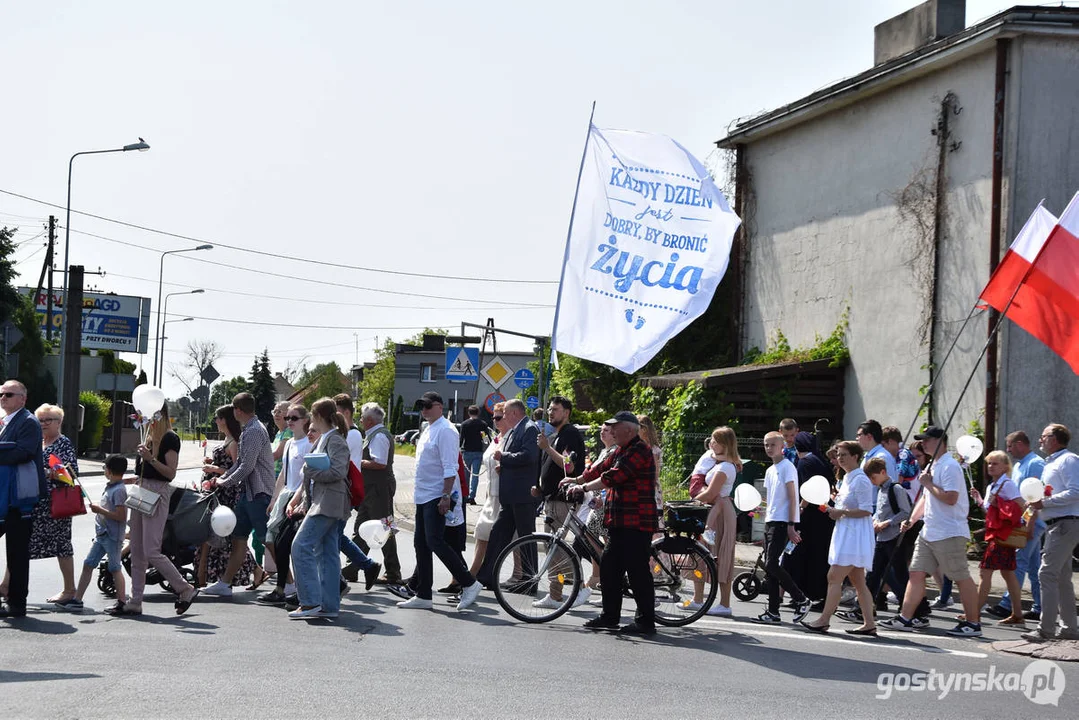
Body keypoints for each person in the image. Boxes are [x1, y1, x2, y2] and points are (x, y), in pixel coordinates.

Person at [563, 411, 659, 636]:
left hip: (636, 522)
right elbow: (597, 469)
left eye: (616, 428)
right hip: (618, 520)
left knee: (637, 573)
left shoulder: (639, 450)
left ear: (630, 430)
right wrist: (575, 480)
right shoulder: (619, 450)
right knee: (609, 568)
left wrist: (583, 488)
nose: (612, 431)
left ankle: (646, 622)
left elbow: (614, 476)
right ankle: (610, 616)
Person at [881, 426, 981, 637]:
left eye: (927, 439)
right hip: (930, 531)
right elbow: (927, 498)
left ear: (940, 441)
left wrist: (927, 483)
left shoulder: (949, 466)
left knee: (961, 576)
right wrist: (912, 518)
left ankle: (972, 623)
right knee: (916, 574)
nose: (924, 443)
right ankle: (905, 618)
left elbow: (951, 497)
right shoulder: (934, 464)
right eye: (922, 440)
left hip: (949, 531)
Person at [398, 392, 482, 611]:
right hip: (423, 494)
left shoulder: (446, 430)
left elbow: (450, 466)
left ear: (439, 406)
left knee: (435, 541)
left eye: (427, 406)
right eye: (421, 406)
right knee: (421, 543)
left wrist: (446, 496)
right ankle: (424, 594)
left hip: (437, 494)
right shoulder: (428, 429)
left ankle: (469, 583)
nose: (424, 410)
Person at [125, 402, 199, 617]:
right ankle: (135, 600)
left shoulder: (169, 437)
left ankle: (185, 588)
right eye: (141, 413)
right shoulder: (147, 436)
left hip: (157, 493)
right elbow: (145, 472)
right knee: (137, 549)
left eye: (147, 413)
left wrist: (150, 458)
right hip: (141, 490)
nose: (143, 417)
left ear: (159, 413)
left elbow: (170, 473)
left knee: (151, 550)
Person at [285, 398, 353, 619]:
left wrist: (312, 473)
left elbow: (338, 472)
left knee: (300, 546)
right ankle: (329, 606)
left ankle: (310, 603)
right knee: (327, 554)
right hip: (323, 502)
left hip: (328, 504)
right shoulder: (327, 438)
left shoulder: (335, 440)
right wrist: (305, 498)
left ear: (318, 416)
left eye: (313, 416)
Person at [204, 392, 276, 597]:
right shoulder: (249, 429)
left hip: (258, 493)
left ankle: (288, 584)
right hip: (248, 494)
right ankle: (225, 584)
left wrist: (224, 481)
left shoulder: (254, 430)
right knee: (238, 538)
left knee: (266, 539)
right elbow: (239, 464)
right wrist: (221, 478)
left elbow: (247, 466)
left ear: (237, 410)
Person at [802, 444, 877, 636]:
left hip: (854, 536)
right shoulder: (847, 479)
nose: (840, 458)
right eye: (839, 455)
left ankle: (824, 620)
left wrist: (841, 511)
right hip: (847, 533)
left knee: (834, 577)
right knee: (858, 581)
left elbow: (867, 509)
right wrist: (833, 507)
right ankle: (869, 623)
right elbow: (846, 507)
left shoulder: (860, 480)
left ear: (856, 456)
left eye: (844, 455)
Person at [475, 399, 540, 595]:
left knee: (526, 538)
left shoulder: (529, 429)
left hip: (522, 495)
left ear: (514, 413)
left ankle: (530, 581)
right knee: (498, 534)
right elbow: (517, 457)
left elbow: (529, 456)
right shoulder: (515, 430)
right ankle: (487, 576)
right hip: (511, 496)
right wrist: (504, 464)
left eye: (505, 414)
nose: (502, 418)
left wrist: (504, 457)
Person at [837, 456, 911, 625]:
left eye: (873, 477)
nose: (871, 482)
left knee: (899, 574)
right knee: (873, 574)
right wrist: (875, 521)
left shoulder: (895, 489)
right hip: (881, 538)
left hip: (893, 537)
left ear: (883, 472)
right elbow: (880, 511)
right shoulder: (880, 490)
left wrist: (886, 523)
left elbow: (905, 512)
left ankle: (912, 608)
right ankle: (863, 609)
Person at [1022, 424, 1079, 642]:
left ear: (1054, 439)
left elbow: (1076, 491)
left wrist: (1043, 502)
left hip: (1066, 523)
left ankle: (1046, 629)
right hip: (1058, 524)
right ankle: (1069, 629)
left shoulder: (1069, 460)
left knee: (1046, 574)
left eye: (1043, 437)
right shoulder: (1053, 462)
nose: (1039, 441)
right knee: (1062, 577)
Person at [531, 395, 588, 610]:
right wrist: (541, 488)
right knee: (552, 546)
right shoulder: (556, 435)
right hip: (551, 498)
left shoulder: (570, 434)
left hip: (563, 500)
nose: (550, 412)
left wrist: (546, 448)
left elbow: (569, 467)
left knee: (558, 547)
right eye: (549, 409)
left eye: (555, 409)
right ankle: (556, 594)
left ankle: (580, 587)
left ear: (566, 412)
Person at [196, 406, 261, 589]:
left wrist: (215, 469)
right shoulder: (227, 439)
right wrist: (212, 464)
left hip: (227, 494)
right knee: (223, 536)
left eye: (217, 417)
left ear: (224, 419)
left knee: (227, 535)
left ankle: (254, 570)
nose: (215, 421)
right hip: (218, 492)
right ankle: (251, 571)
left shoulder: (234, 442)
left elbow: (236, 470)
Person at [23, 404, 79, 607]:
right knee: (21, 544)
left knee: (62, 546)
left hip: (56, 505)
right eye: (41, 420)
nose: (44, 424)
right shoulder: (38, 443)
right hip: (35, 503)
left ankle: (69, 590)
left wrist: (46, 473)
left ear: (59, 422)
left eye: (49, 420)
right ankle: (6, 584)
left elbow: (71, 475)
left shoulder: (63, 443)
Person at [753, 431, 811, 625]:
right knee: (770, 569)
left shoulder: (788, 467)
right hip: (771, 520)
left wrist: (791, 525)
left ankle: (801, 598)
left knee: (771, 564)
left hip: (782, 522)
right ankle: (773, 611)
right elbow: (772, 499)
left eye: (772, 445)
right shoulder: (771, 470)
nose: (769, 448)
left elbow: (792, 497)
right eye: (766, 445)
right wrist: (762, 510)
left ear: (782, 447)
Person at [0, 380, 46, 619]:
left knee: (17, 553)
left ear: (22, 399)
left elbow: (24, 452)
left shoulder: (27, 421)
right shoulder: (5, 421)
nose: (3, 398)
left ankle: (17, 603)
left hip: (20, 499)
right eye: (1, 394)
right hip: (4, 497)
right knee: (16, 552)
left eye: (8, 394)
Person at [989, 431, 1046, 621]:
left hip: (1032, 523)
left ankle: (1007, 605)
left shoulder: (1035, 463)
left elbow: (1035, 496)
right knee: (1032, 566)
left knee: (1017, 562)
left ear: (1020, 444)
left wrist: (1029, 524)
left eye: (1010, 446)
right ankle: (1040, 607)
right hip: (1024, 522)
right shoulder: (1022, 464)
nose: (1008, 450)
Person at [258, 404, 310, 605]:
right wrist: (274, 498)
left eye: (294, 418)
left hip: (298, 499)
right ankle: (284, 586)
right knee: (272, 538)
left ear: (305, 420)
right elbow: (283, 474)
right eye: (288, 417)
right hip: (285, 496)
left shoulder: (308, 444)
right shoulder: (289, 444)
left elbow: (308, 477)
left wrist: (300, 501)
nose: (289, 421)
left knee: (288, 543)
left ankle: (286, 587)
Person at [968, 451, 1026, 627]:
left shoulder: (1007, 485)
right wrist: (979, 499)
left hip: (1002, 535)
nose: (991, 466)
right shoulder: (992, 486)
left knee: (985, 572)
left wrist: (998, 504)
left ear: (1005, 466)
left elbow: (1021, 506)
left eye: (995, 463)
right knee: (1008, 574)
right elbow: (989, 512)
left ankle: (974, 613)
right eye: (989, 463)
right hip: (999, 535)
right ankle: (1017, 614)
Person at [67, 455, 129, 613]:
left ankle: (122, 601)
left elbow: (121, 516)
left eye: (104, 469)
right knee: (88, 564)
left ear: (109, 470)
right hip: (102, 535)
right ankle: (77, 599)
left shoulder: (119, 490)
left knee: (115, 567)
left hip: (112, 536)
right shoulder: (111, 487)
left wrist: (99, 510)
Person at [349, 402, 402, 584]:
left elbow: (380, 463)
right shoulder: (375, 434)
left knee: (386, 528)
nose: (361, 421)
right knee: (361, 528)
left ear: (370, 420)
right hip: (371, 489)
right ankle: (352, 566)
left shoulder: (378, 436)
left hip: (378, 489)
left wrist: (358, 461)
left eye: (362, 418)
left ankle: (393, 572)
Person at [691, 426, 741, 617]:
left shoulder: (726, 467)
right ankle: (697, 599)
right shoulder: (720, 462)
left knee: (721, 553)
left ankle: (724, 604)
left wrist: (694, 500)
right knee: (700, 553)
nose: (711, 443)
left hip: (720, 514)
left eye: (715, 440)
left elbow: (711, 493)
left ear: (725, 444)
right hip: (713, 509)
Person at [791, 431, 835, 608]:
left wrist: (801, 507)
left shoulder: (804, 462)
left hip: (811, 515)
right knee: (818, 554)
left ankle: (806, 595)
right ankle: (816, 594)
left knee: (806, 555)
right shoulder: (818, 460)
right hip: (822, 514)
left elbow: (808, 488)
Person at [469, 403, 507, 578]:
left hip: (503, 495)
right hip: (491, 494)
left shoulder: (511, 438)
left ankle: (519, 573)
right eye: (494, 417)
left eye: (499, 417)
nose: (495, 420)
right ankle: (474, 571)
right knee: (481, 531)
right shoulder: (497, 438)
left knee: (508, 538)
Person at [460, 405, 491, 505]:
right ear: (478, 413)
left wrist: (459, 449)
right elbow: (486, 439)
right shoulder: (482, 424)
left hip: (467, 451)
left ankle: (464, 496)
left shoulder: (464, 424)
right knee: (475, 475)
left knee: (466, 475)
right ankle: (472, 496)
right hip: (478, 452)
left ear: (468, 413)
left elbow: (461, 439)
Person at [637, 414, 662, 508]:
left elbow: (655, 472)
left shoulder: (652, 450)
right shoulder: (638, 447)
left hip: (649, 487)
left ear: (644, 429)